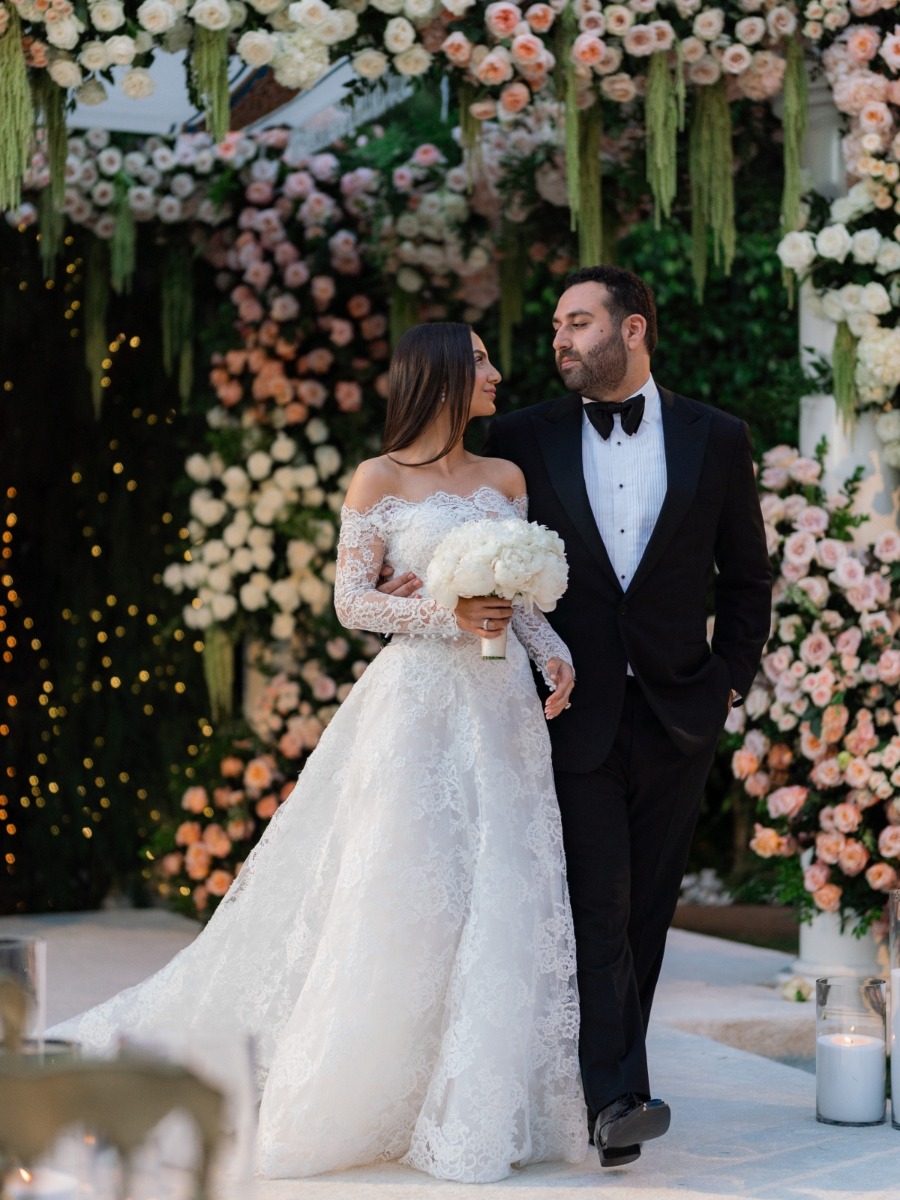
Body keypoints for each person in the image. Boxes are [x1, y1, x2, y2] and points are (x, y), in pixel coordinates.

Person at [48, 322, 587, 1184]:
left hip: (502, 715)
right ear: (443, 375)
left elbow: (515, 600)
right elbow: (351, 602)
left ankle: (473, 1099)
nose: (496, 372)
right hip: (416, 709)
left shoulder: (505, 479)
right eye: (481, 359)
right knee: (409, 886)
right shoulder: (378, 480)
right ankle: (374, 1087)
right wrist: (438, 614)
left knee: (499, 888)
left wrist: (551, 648)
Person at [384, 267, 772, 1167]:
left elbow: (746, 580)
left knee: (646, 909)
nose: (557, 340)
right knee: (596, 900)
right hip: (567, 706)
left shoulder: (718, 439)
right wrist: (422, 577)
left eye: (577, 323)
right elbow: (454, 505)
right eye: (556, 324)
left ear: (633, 329)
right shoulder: (523, 439)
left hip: (681, 710)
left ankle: (604, 1081)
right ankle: (617, 1102)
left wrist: (728, 682)